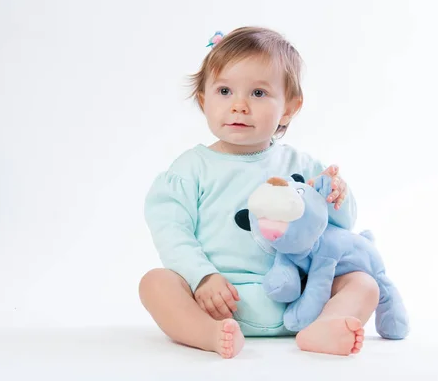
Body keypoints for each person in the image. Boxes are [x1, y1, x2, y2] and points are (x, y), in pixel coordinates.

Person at [139, 27, 380, 359]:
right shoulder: (191, 169)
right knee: (155, 283)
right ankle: (206, 333)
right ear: (203, 99)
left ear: (289, 107)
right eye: (224, 91)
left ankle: (325, 325)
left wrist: (337, 194)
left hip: (301, 298)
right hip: (219, 301)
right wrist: (202, 278)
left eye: (258, 93)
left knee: (363, 282)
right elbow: (171, 231)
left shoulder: (302, 165)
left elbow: (338, 225)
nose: (239, 106)